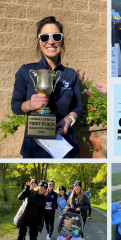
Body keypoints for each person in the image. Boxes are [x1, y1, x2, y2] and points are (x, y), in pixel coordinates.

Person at [11, 16, 83, 158]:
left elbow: (78, 106)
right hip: (35, 148)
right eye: (45, 37)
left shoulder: (70, 74)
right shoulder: (26, 71)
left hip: (65, 146)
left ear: (61, 40)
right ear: (38, 42)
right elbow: (15, 106)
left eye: (56, 36)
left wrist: (68, 119)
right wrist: (30, 104)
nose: (51, 41)